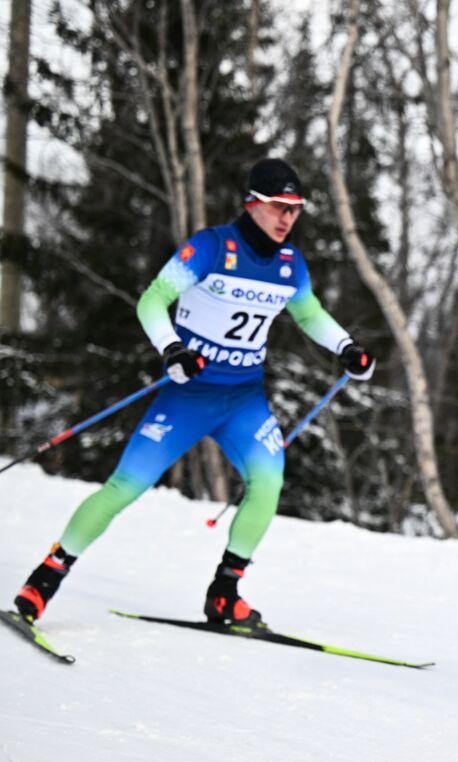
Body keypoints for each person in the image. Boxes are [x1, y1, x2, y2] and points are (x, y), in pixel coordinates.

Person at [12, 159, 375, 629]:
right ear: (252, 203)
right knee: (126, 487)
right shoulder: (211, 247)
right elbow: (152, 300)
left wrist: (347, 347)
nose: (288, 218)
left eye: (296, 209)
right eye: (278, 207)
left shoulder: (290, 265)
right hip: (188, 396)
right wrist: (174, 350)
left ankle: (225, 593)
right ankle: (44, 579)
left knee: (268, 483)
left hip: (243, 400)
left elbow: (308, 315)